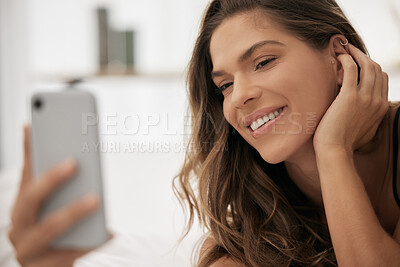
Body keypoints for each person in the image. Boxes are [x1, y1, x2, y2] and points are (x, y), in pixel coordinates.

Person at [173, 0, 400, 266]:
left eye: (263, 62)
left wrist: (332, 150)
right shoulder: (242, 243)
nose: (238, 97)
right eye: (226, 85)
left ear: (339, 60)